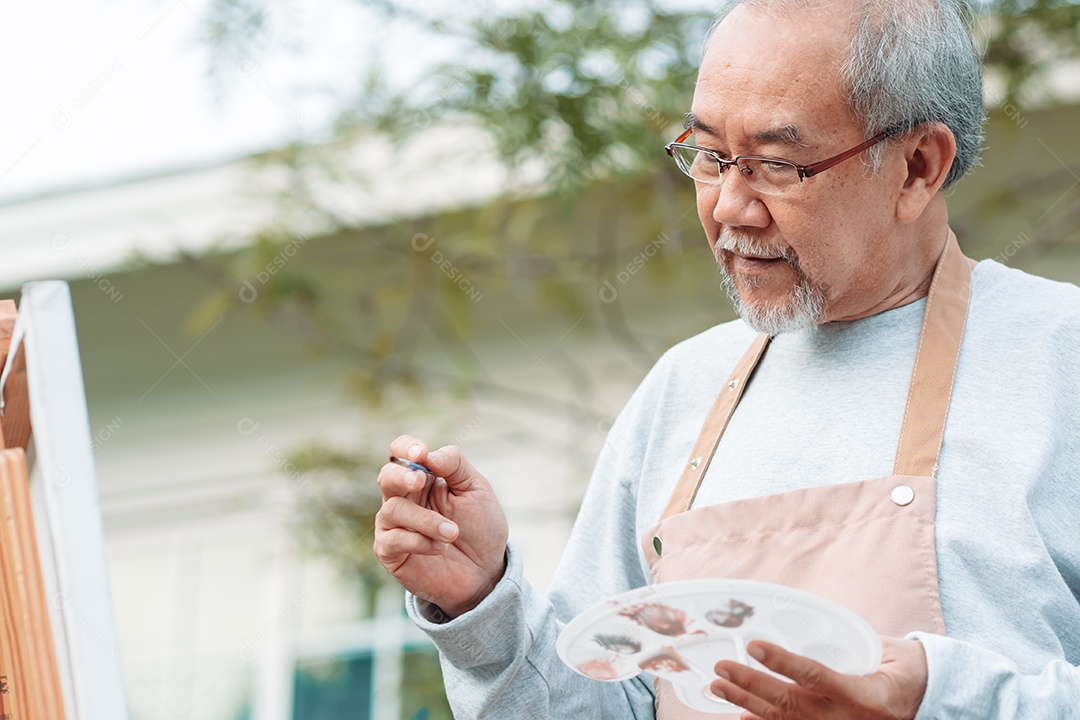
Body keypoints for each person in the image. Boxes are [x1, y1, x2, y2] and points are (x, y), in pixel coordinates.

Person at [373, 0, 1080, 717]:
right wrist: (484, 604)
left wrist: (939, 700)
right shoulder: (683, 391)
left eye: (775, 164)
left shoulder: (1061, 356)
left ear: (917, 167)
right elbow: (611, 699)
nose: (730, 208)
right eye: (709, 157)